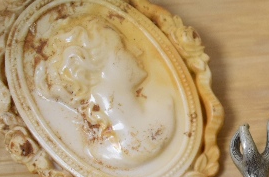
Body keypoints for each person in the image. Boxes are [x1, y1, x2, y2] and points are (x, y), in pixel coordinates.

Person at [36, 16, 174, 168]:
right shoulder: (102, 154)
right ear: (91, 72)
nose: (138, 51)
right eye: (122, 48)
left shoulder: (165, 109)